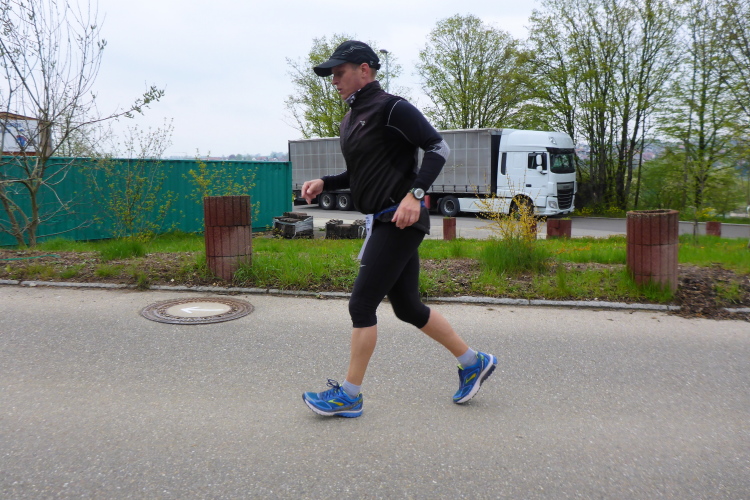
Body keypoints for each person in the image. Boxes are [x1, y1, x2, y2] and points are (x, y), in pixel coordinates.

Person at [300, 40, 496, 418]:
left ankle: (350, 396)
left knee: (361, 305)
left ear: (364, 70)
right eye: (332, 75)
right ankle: (473, 362)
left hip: (399, 218)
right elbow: (360, 174)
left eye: (339, 72)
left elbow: (438, 148)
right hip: (381, 220)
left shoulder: (392, 107)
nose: (334, 80)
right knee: (407, 307)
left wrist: (415, 194)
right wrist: (326, 182)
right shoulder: (352, 119)